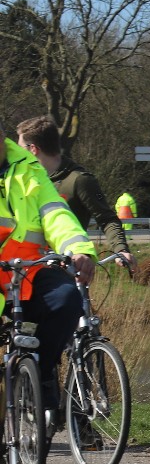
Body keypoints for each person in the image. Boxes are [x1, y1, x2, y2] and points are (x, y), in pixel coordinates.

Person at [0, 135, 100, 427]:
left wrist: (78, 249)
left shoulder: (28, 167)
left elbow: (55, 213)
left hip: (27, 270)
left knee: (67, 300)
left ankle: (40, 374)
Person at [16, 117, 133, 267]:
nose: (17, 154)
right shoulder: (22, 180)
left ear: (33, 149)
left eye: (20, 148)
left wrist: (121, 250)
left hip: (68, 267)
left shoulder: (79, 180)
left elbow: (107, 219)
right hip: (26, 267)